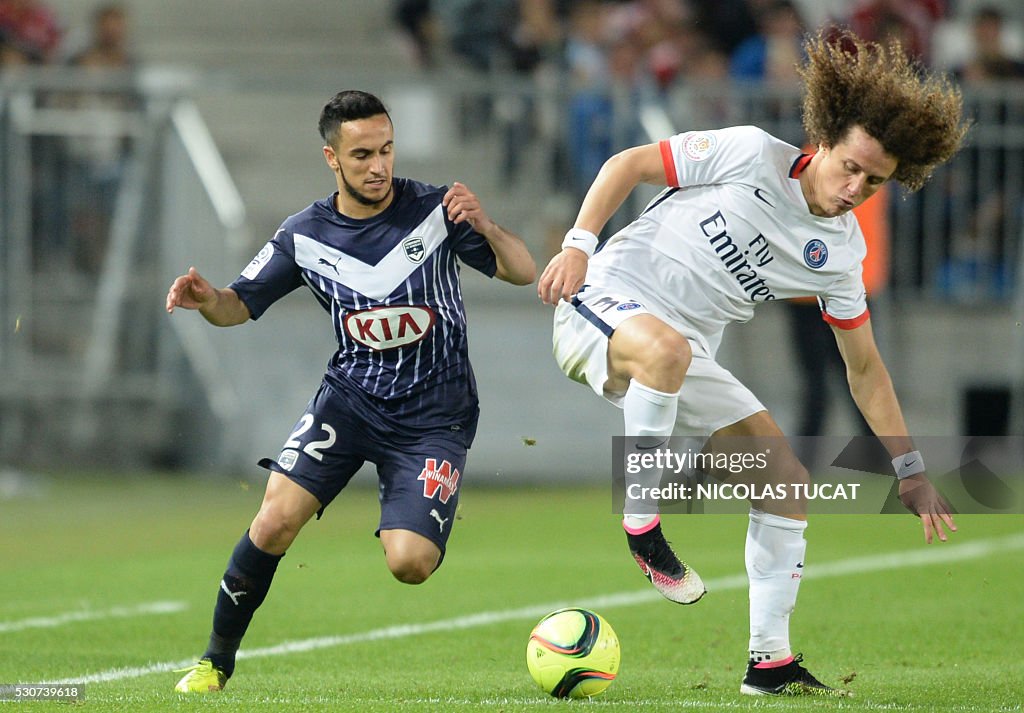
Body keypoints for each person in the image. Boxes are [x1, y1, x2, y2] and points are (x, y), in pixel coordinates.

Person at [538, 30, 966, 697]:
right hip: (599, 301)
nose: (856, 187)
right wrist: (577, 245)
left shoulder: (841, 256)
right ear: (823, 139)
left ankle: (769, 662)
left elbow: (864, 370)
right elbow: (627, 163)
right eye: (850, 166)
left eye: (875, 181)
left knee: (785, 478)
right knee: (668, 350)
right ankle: (642, 522)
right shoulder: (748, 153)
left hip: (678, 356)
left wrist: (908, 467)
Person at [167, 90, 535, 693]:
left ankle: (408, 501)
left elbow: (523, 270)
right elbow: (236, 306)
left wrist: (486, 223)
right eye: (362, 153)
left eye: (386, 150)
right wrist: (208, 301)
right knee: (274, 520)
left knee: (411, 564)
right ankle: (214, 661)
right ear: (332, 159)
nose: (379, 165)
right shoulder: (303, 235)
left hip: (434, 417)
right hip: (350, 402)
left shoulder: (436, 211)